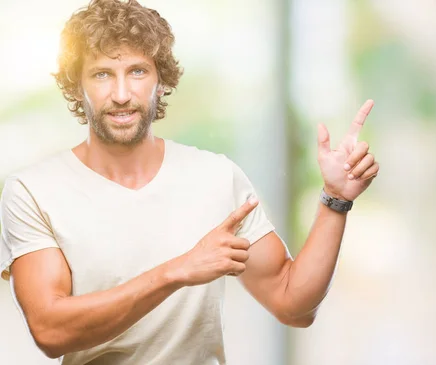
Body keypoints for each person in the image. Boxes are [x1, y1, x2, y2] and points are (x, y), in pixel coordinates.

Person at [0, 0, 380, 364]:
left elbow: (292, 304)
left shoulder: (216, 177)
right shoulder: (33, 191)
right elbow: (50, 331)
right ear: (76, 84)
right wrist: (176, 271)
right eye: (102, 74)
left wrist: (335, 199)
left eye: (137, 71)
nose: (120, 95)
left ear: (160, 81)